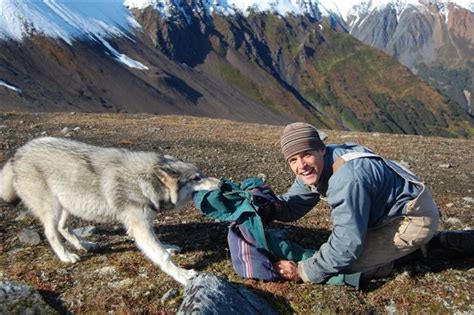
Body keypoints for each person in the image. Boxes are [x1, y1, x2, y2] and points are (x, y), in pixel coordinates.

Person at [271, 122, 441, 283]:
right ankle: (427, 244)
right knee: (338, 257)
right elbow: (292, 206)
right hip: (387, 213)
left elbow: (346, 246)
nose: (301, 165)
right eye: (293, 160)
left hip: (412, 218)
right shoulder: (316, 166)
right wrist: (266, 205)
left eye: (306, 154)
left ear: (321, 149)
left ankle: (415, 253)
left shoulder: (346, 178)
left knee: (345, 266)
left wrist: (303, 271)